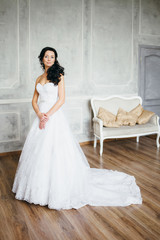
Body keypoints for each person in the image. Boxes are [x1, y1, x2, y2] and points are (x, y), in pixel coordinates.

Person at [12, 47, 142, 210]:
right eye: (46, 56)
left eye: (52, 56)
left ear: (55, 59)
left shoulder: (59, 75)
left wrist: (48, 116)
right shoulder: (38, 78)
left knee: (56, 152)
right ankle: (37, 189)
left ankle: (57, 190)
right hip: (41, 117)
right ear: (41, 59)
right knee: (38, 151)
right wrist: (39, 114)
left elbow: (62, 100)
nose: (49, 59)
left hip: (53, 117)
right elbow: (34, 100)